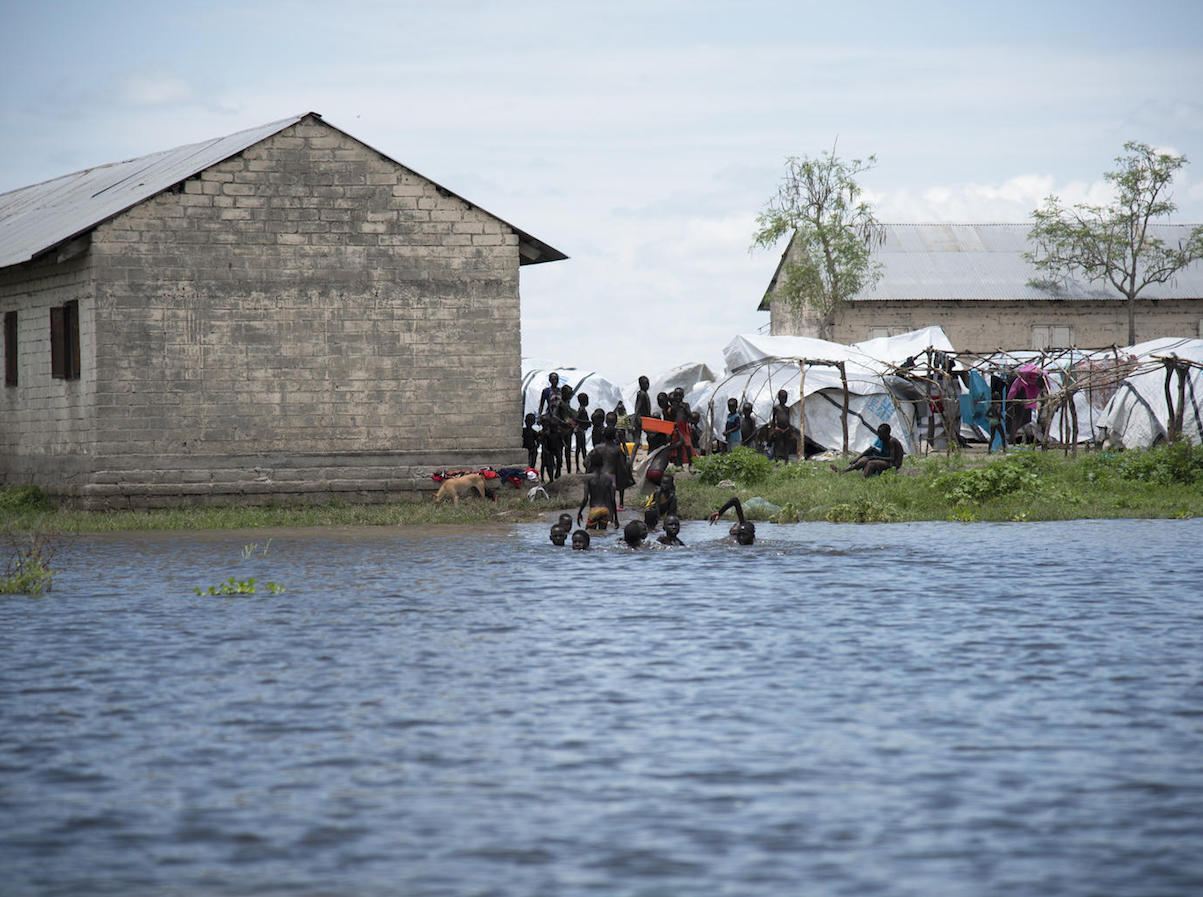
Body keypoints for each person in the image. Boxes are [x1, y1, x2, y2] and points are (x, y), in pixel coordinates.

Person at [833, 423, 905, 477]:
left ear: (886, 434)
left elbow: (892, 458)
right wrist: (859, 457)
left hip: (893, 464)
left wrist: (875, 457)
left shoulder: (891, 441)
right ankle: (843, 471)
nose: (878, 436)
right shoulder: (884, 440)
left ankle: (865, 477)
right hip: (887, 461)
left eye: (880, 434)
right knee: (864, 459)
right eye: (878, 433)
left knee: (871, 463)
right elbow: (878, 451)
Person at [577, 462, 619, 530]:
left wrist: (579, 513)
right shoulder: (610, 478)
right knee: (602, 535)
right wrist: (616, 518)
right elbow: (612, 499)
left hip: (594, 509)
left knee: (590, 534)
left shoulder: (588, 478)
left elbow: (585, 498)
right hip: (605, 510)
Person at [770, 389, 794, 461]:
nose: (784, 400)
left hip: (786, 428)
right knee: (777, 444)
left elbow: (788, 419)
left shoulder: (787, 409)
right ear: (779, 398)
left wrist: (790, 429)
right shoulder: (776, 408)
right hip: (778, 429)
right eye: (782, 398)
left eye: (785, 398)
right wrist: (773, 429)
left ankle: (786, 459)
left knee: (786, 445)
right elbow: (774, 419)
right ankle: (776, 458)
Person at [560, 385, 577, 473]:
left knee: (568, 452)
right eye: (569, 394)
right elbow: (556, 415)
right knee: (560, 452)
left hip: (568, 430)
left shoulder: (567, 404)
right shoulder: (561, 404)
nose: (570, 396)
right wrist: (564, 422)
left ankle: (569, 471)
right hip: (562, 430)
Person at [633, 376, 652, 454]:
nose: (647, 385)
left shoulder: (644, 393)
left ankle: (632, 458)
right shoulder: (642, 394)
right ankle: (650, 453)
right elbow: (638, 407)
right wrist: (635, 419)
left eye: (648, 383)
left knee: (637, 441)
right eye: (645, 383)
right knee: (651, 436)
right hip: (642, 420)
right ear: (641, 384)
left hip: (642, 419)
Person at [574, 392, 591, 471]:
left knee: (582, 449)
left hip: (581, 430)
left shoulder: (582, 409)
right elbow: (577, 419)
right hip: (579, 430)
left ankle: (583, 466)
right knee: (580, 448)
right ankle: (580, 467)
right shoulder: (581, 410)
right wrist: (586, 422)